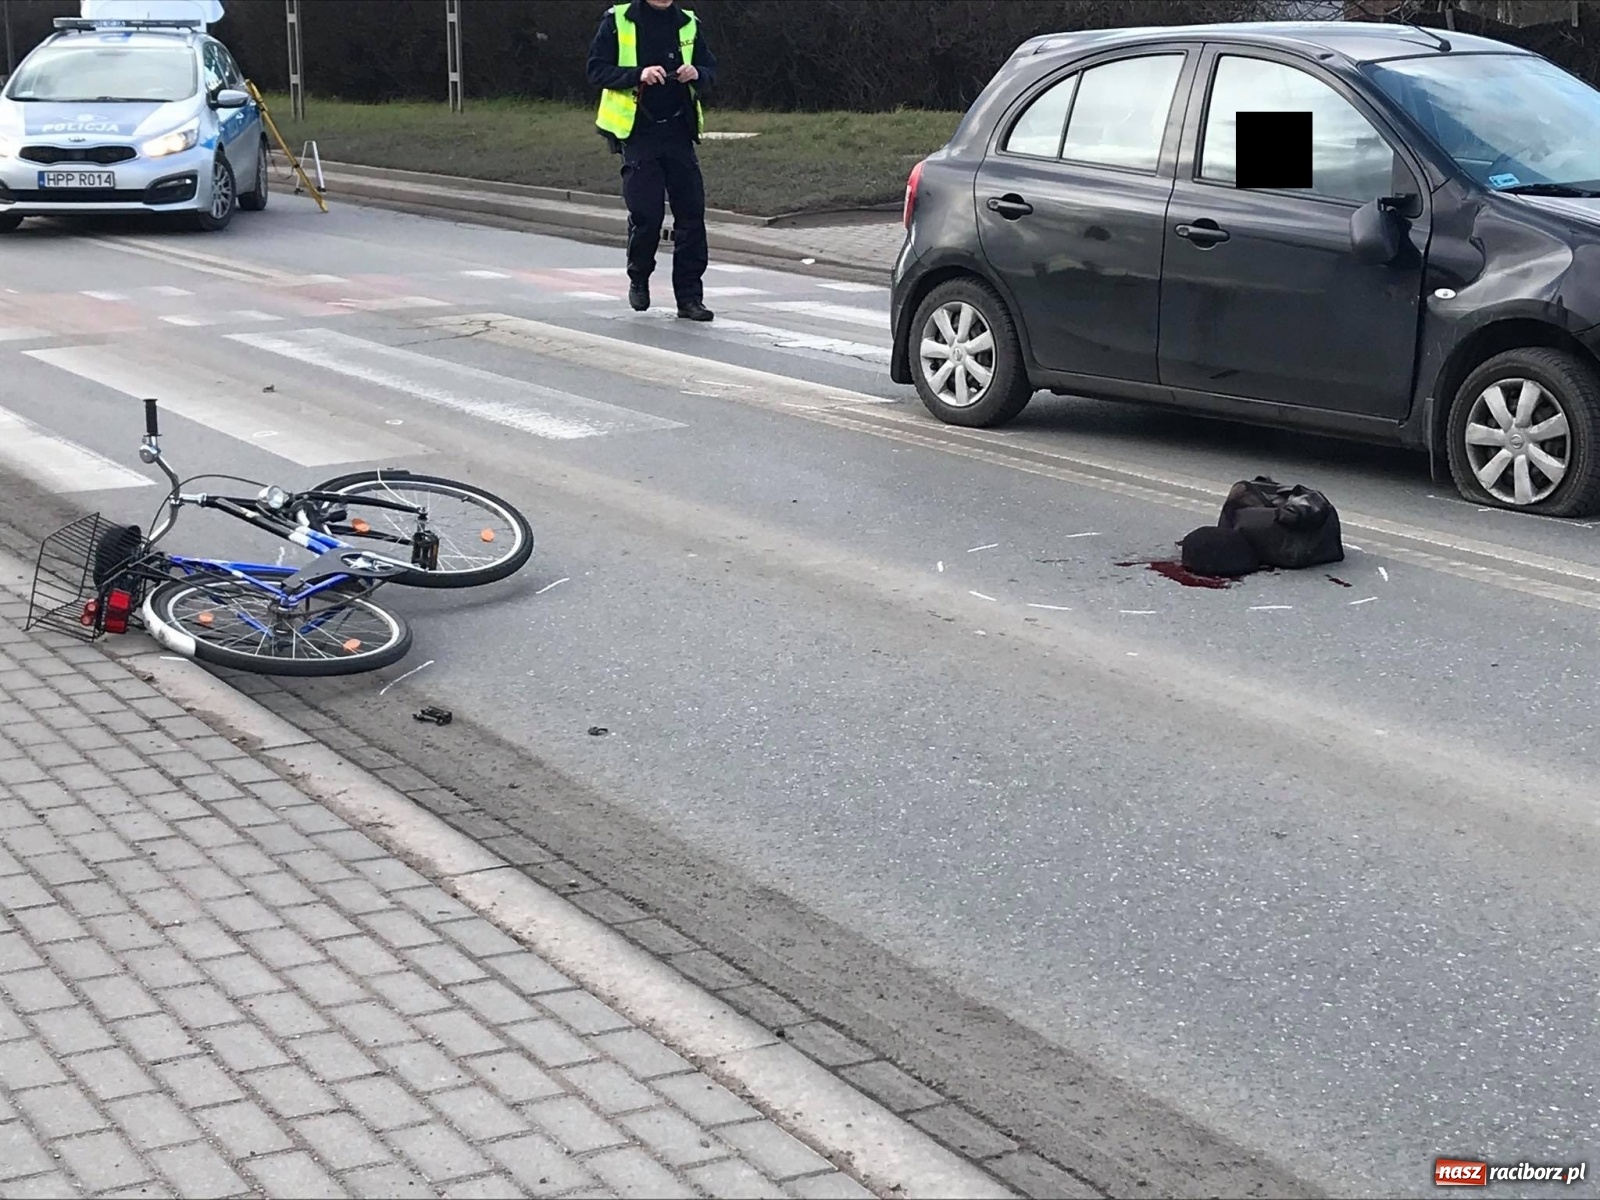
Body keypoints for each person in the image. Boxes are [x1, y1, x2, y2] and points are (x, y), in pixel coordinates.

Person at [587, 0, 719, 322]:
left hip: (678, 132)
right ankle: (639, 276)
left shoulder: (688, 23)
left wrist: (697, 73)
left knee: (691, 217)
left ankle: (689, 299)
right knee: (647, 216)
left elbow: (711, 70)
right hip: (639, 133)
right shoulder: (618, 20)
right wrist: (638, 75)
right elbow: (596, 70)